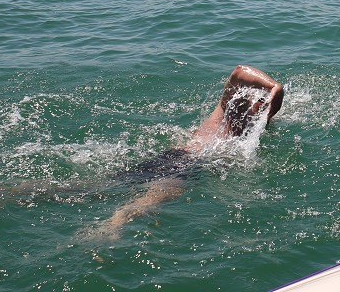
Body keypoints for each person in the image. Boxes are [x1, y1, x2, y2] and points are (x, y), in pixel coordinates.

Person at [83, 65, 284, 239]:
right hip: (189, 167)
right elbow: (240, 71)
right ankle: (112, 225)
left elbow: (239, 73)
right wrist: (278, 90)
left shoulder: (221, 113)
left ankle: (54, 193)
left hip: (171, 155)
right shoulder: (245, 129)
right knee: (147, 201)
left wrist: (274, 88)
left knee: (105, 186)